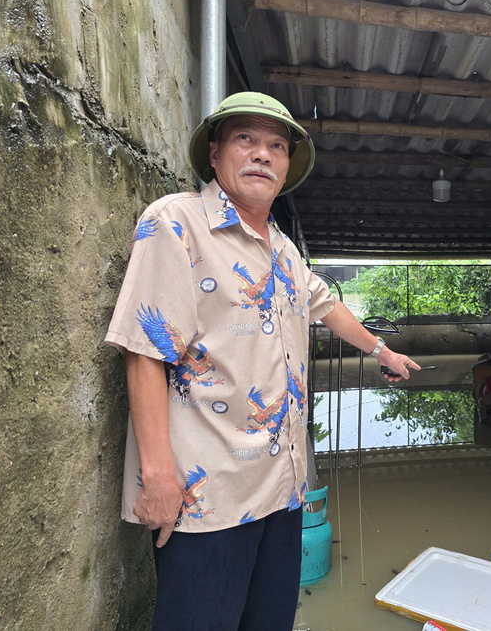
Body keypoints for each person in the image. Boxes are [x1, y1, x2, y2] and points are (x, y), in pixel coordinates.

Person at [105, 92, 420, 630]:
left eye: (277, 145)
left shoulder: (282, 249)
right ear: (214, 152)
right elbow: (144, 352)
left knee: (270, 623)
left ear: (288, 165)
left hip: (283, 489)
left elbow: (329, 306)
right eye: (245, 139)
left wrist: (382, 350)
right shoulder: (175, 223)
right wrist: (156, 477)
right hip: (209, 500)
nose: (262, 154)